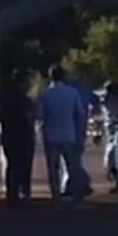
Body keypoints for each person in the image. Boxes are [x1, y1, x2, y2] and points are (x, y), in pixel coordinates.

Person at [34, 65, 86, 204]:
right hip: (69, 133)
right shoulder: (72, 93)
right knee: (72, 165)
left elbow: (40, 115)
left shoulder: (45, 94)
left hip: (51, 134)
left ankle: (56, 196)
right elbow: (80, 114)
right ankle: (76, 194)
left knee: (53, 168)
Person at [0, 69, 36, 207]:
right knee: (20, 165)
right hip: (21, 136)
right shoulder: (23, 98)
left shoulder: (4, 96)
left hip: (8, 135)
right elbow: (28, 115)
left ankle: (11, 193)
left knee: (11, 165)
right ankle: (20, 192)